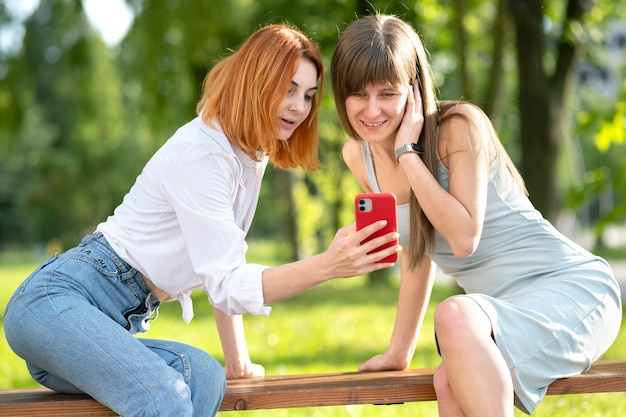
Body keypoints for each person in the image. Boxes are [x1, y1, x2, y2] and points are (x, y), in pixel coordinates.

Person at [4, 23, 400, 417]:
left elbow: (221, 267)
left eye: (309, 95)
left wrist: (237, 361)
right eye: (288, 89)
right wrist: (327, 266)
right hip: (53, 304)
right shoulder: (203, 155)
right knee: (164, 396)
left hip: (103, 322)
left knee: (204, 377)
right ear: (256, 82)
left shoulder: (249, 155)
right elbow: (228, 283)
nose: (300, 106)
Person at [330, 14, 622, 416]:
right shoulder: (358, 155)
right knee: (446, 382)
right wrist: (399, 350)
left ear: (414, 89)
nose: (372, 110)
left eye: (388, 93)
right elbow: (420, 247)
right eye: (359, 94)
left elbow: (463, 239)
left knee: (452, 315)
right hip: (495, 314)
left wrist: (407, 155)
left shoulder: (458, 127)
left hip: (572, 291)